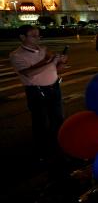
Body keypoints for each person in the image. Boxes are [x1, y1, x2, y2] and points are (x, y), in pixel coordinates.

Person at [10, 25, 68, 160]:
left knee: (58, 118)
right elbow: (29, 73)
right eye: (33, 35)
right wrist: (51, 61)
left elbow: (56, 68)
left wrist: (62, 62)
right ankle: (43, 151)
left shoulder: (43, 50)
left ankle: (60, 146)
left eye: (38, 35)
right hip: (37, 91)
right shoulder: (16, 55)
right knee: (41, 122)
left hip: (54, 88)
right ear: (22, 37)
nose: (38, 38)